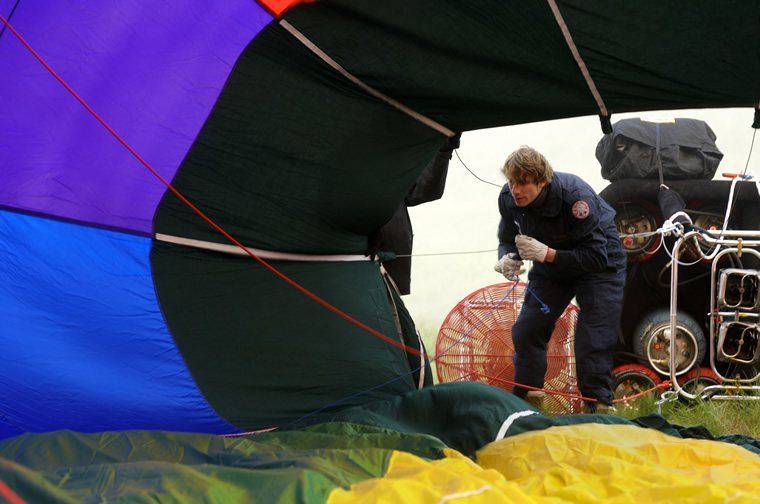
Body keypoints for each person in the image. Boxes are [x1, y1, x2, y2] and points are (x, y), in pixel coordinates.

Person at [494, 146, 626, 411]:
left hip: (599, 263)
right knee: (528, 328)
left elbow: (595, 257)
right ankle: (527, 402)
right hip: (550, 263)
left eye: (523, 183)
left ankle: (597, 404)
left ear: (542, 181)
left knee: (593, 336)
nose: (516, 189)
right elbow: (507, 238)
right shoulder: (509, 198)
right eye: (511, 181)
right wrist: (506, 258)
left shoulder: (576, 199)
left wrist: (548, 253)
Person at [369, 133, 460, 295]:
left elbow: (423, 191)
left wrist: (444, 150)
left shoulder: (391, 161)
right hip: (359, 273)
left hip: (391, 278)